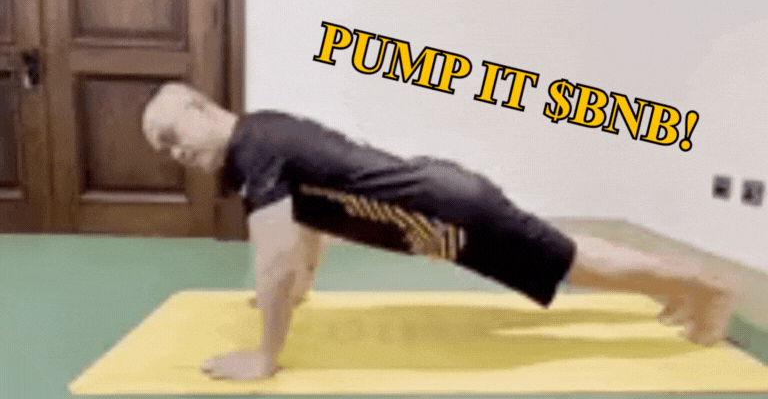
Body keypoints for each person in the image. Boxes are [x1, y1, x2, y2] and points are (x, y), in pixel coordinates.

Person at [142, 82, 742, 381]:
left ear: (199, 109)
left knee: (569, 261)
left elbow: (274, 257)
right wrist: (301, 289)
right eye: (163, 149)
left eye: (172, 136)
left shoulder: (255, 151)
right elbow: (307, 220)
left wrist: (266, 355)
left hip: (448, 213)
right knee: (565, 255)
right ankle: (682, 288)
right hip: (442, 201)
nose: (175, 153)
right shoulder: (261, 135)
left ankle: (708, 287)